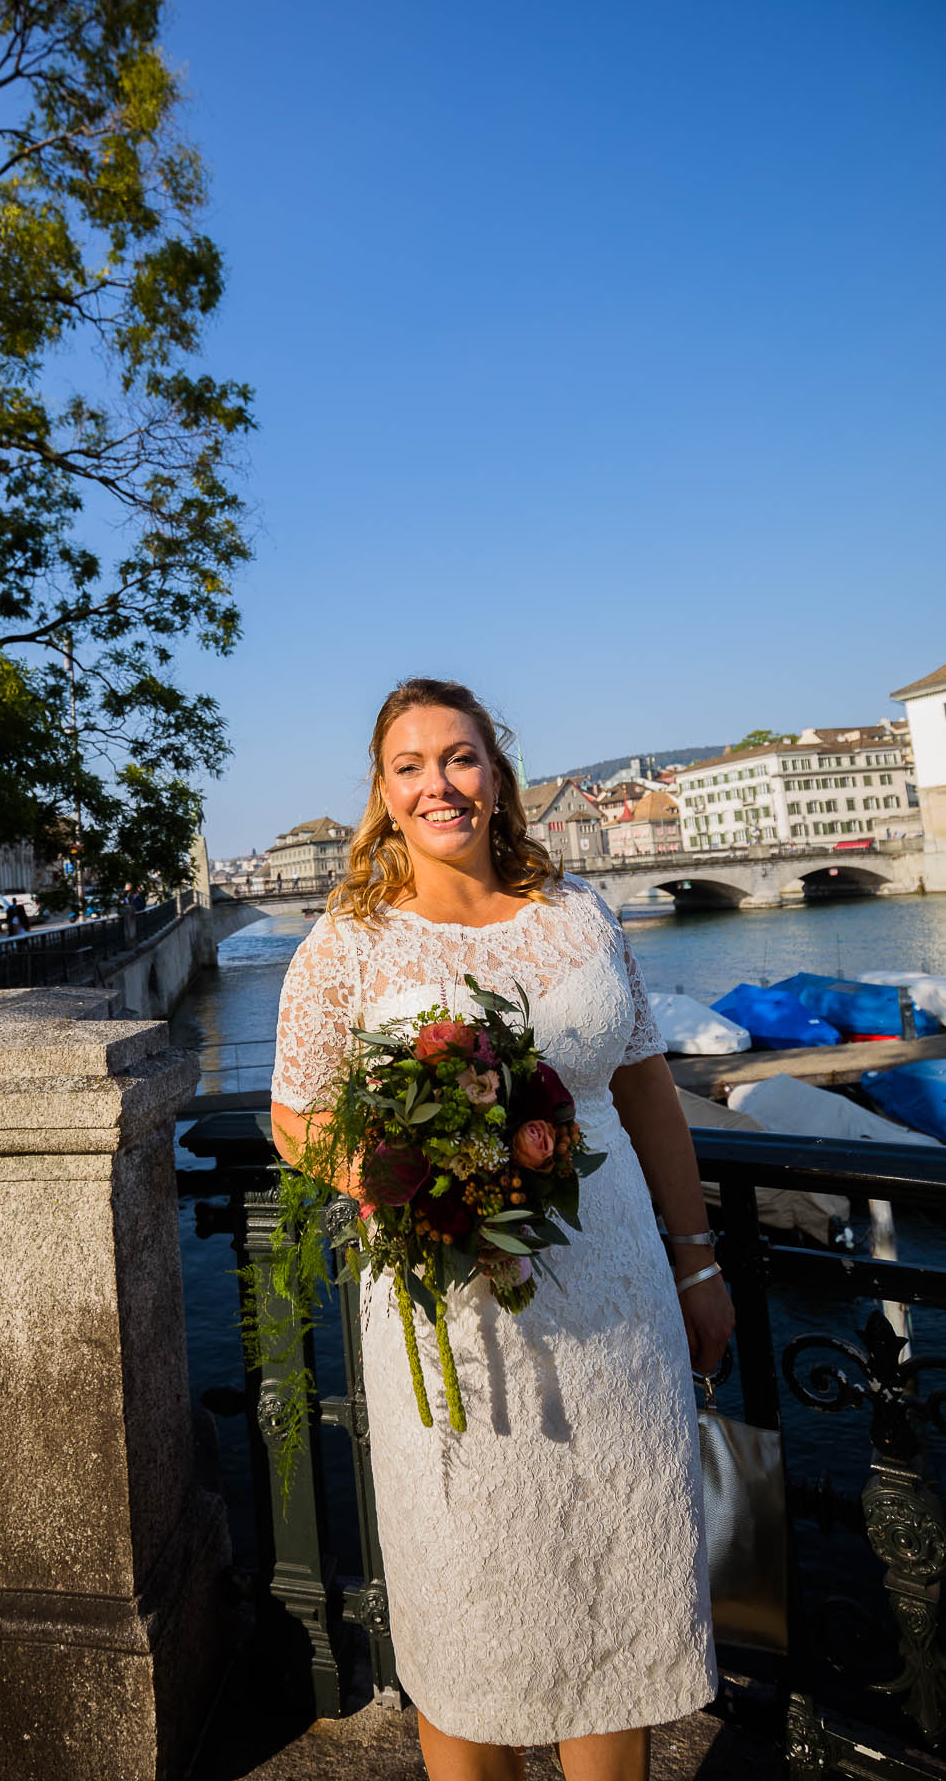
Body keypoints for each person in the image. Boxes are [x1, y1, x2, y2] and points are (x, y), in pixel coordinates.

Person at [270, 679, 733, 1781]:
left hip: (616, 1289)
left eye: (461, 757)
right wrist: (412, 1179)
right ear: (382, 797)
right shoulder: (347, 943)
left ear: (496, 775)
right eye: (410, 764)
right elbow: (293, 1116)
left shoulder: (580, 911)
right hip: (455, 1311)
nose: (440, 782)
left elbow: (645, 1084)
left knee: (618, 1585)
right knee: (474, 1599)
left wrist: (697, 1258)